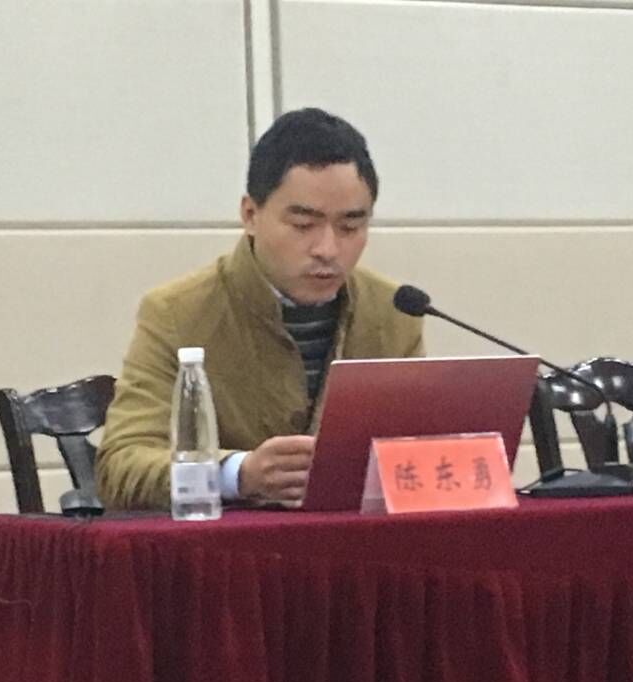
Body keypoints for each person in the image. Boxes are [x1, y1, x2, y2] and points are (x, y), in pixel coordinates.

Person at [96, 108, 425, 510]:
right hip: (229, 545)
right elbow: (121, 466)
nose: (328, 249)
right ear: (250, 215)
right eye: (303, 225)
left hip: (354, 542)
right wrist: (238, 474)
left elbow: (416, 454)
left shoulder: (394, 312)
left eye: (350, 227)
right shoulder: (177, 313)